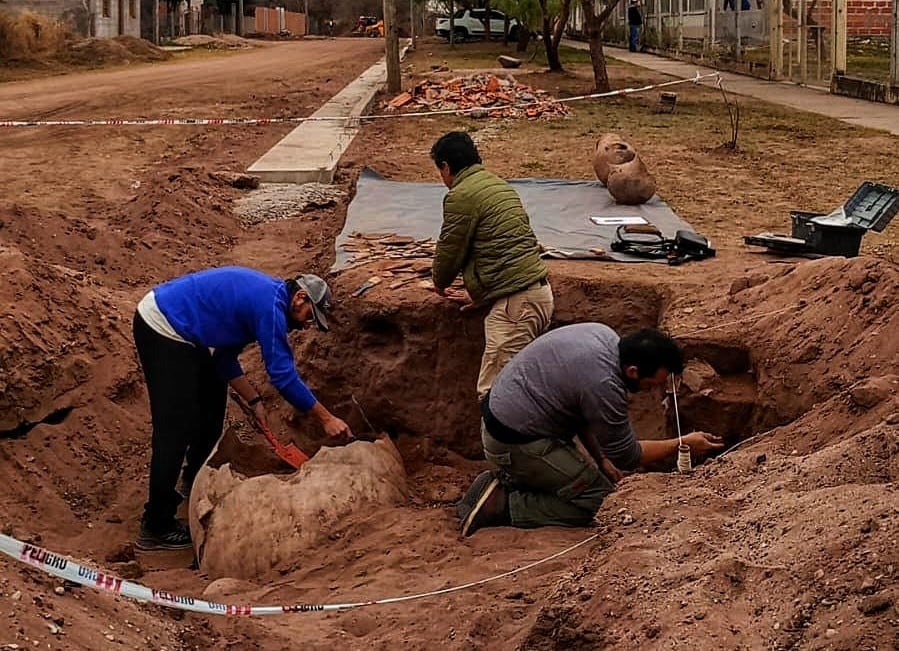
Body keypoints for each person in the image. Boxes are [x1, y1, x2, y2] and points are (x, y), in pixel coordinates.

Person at [132, 266, 352, 550]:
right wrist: (326, 419)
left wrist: (254, 401)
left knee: (212, 406)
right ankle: (156, 525)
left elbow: (223, 361)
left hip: (186, 330)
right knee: (175, 427)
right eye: (310, 315)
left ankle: (192, 480)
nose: (307, 324)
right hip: (163, 325)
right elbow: (282, 375)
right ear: (300, 298)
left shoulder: (265, 301)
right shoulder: (270, 308)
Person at [457, 324, 723, 537]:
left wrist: (600, 459)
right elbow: (628, 456)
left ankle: (509, 480)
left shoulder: (602, 334)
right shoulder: (604, 384)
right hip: (515, 441)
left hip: (508, 420)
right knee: (600, 501)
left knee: (587, 478)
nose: (654, 389)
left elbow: (581, 413)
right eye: (654, 382)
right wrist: (682, 442)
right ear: (633, 371)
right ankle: (503, 506)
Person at [430, 131, 554, 401]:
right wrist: (481, 293)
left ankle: (503, 445)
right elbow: (505, 251)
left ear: (446, 166)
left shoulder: (461, 195)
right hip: (535, 296)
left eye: (440, 172)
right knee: (526, 390)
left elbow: (451, 249)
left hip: (517, 306)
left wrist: (439, 282)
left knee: (497, 396)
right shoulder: (498, 184)